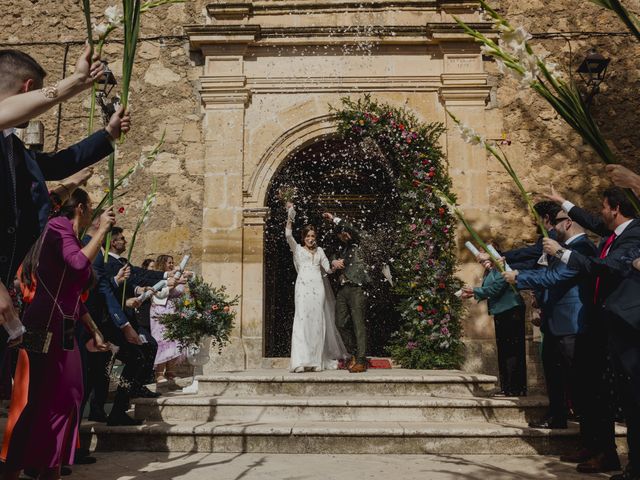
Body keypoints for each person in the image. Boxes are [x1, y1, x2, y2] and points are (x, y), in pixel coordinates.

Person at [0, 47, 130, 354]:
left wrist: (108, 135)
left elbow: (57, 165)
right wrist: (76, 81)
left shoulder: (12, 148)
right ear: (28, 88)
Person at [4, 189, 112, 480]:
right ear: (80, 208)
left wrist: (95, 330)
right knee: (44, 399)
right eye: (89, 209)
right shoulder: (57, 227)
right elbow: (77, 263)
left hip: (63, 325)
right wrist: (101, 231)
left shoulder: (70, 237)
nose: (91, 214)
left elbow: (73, 295)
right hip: (44, 325)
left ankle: (44, 467)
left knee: (67, 396)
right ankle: (23, 467)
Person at [544, 186, 640, 476]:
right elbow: (592, 221)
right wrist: (563, 202)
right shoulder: (616, 230)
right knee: (605, 391)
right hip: (604, 325)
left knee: (632, 397)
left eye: (603, 207)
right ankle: (609, 455)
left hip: (626, 325)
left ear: (616, 209)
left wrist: (562, 253)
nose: (600, 212)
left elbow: (605, 267)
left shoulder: (634, 234)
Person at [503, 209, 597, 429]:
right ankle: (557, 415)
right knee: (554, 373)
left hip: (571, 322)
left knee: (576, 379)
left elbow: (556, 276)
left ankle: (588, 433)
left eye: (555, 224)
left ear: (568, 223)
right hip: (555, 320)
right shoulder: (563, 248)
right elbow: (541, 269)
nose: (551, 229)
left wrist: (519, 277)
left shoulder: (581, 247)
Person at [100, 227, 166, 426]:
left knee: (143, 351)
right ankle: (117, 405)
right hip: (113, 322)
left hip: (125, 320)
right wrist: (128, 300)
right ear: (112, 242)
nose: (124, 241)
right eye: (121, 238)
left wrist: (164, 277)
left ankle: (129, 394)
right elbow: (107, 291)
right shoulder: (107, 263)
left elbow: (137, 277)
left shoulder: (120, 263)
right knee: (126, 360)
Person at [286, 204, 347, 372]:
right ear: (303, 237)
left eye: (313, 236)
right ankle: (299, 362)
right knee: (302, 321)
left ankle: (316, 361)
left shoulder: (320, 251)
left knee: (317, 322)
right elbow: (287, 234)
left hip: (318, 288)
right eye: (308, 236)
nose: (311, 239)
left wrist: (335, 264)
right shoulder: (297, 249)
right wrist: (290, 216)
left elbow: (327, 269)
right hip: (303, 288)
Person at [462, 251, 526, 397]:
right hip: (501, 312)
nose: (483, 263)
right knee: (504, 350)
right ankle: (506, 387)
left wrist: (474, 291)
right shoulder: (490, 271)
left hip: (511, 311)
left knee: (512, 351)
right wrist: (473, 293)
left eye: (484, 260)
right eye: (480, 262)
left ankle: (515, 388)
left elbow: (496, 288)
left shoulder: (502, 268)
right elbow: (489, 290)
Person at [0, 45, 104, 131]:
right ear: (27, 88)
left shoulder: (9, 142)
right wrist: (78, 79)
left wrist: (109, 133)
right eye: (36, 93)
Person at [323, 212, 371, 373]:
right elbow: (330, 261)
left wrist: (334, 219)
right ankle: (354, 354)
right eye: (341, 233)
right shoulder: (340, 249)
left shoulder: (357, 242)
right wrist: (333, 262)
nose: (344, 235)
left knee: (358, 324)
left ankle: (362, 361)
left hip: (356, 286)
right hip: (342, 289)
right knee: (340, 322)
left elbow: (352, 230)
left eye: (346, 232)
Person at [150, 254, 184, 384]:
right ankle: (159, 373)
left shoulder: (175, 276)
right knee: (162, 340)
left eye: (172, 262)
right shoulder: (156, 277)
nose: (171, 264)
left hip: (173, 311)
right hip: (160, 311)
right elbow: (159, 293)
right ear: (162, 263)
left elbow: (180, 291)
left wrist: (178, 282)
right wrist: (173, 284)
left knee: (173, 340)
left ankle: (171, 371)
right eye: (169, 262)